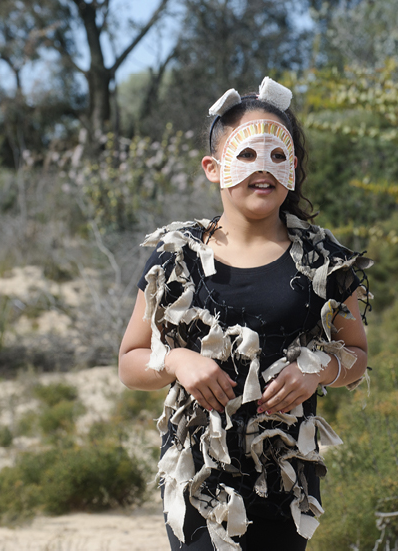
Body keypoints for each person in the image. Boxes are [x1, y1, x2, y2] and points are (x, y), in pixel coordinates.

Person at [118, 77, 372, 551]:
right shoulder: (177, 256)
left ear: (293, 168)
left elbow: (356, 356)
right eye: (248, 154)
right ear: (214, 168)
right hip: (199, 483)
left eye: (279, 155)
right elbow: (130, 362)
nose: (265, 168)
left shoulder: (325, 259)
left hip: (286, 480)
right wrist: (177, 361)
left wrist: (317, 372)